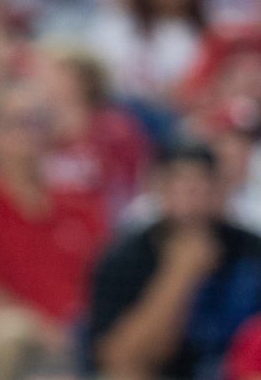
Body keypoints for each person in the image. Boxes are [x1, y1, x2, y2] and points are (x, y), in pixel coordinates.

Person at [87, 143, 261, 380]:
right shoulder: (125, 257)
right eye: (180, 186)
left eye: (201, 186)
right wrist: (180, 273)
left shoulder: (250, 249)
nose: (191, 198)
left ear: (220, 189)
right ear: (158, 188)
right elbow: (119, 358)